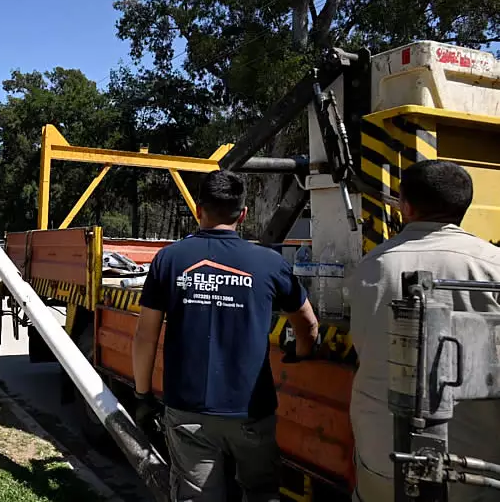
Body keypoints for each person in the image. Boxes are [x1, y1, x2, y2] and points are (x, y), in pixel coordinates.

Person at [133, 170, 319, 502]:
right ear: (243, 213)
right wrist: (303, 351)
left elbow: (145, 336)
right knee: (261, 493)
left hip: (188, 408)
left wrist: (143, 395)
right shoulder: (268, 262)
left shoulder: (169, 259)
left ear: (198, 209)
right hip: (251, 409)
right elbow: (308, 323)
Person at [346, 160, 500, 502]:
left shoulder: (373, 266)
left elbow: (364, 347)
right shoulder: (493, 264)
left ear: (406, 206)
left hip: (384, 458)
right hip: (475, 466)